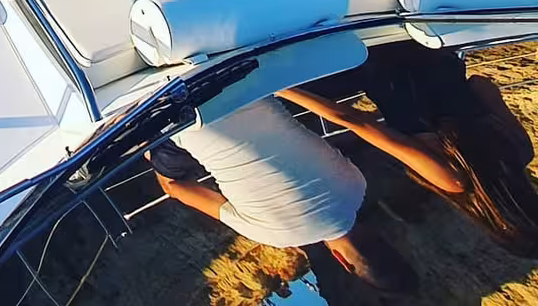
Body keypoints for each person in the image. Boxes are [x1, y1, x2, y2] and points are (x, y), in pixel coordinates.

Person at [283, 42, 538, 256]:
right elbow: (357, 122)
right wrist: (281, 88)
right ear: (498, 226)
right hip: (377, 62)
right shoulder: (452, 178)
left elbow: (481, 84)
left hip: (433, 50)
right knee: (286, 98)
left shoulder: (522, 150)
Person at [150, 98, 415, 293]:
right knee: (174, 177)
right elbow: (177, 189)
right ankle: (150, 133)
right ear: (342, 261)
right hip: (184, 120)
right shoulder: (274, 236)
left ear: (378, 235)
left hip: (244, 87)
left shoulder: (356, 184)